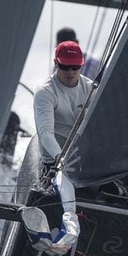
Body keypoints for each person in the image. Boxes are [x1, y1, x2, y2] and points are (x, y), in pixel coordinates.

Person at [34, 40, 94, 175]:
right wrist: (61, 160)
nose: (70, 72)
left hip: (85, 158)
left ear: (81, 64)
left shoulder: (91, 88)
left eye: (75, 67)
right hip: (55, 161)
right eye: (65, 66)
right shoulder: (45, 92)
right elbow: (46, 134)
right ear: (56, 63)